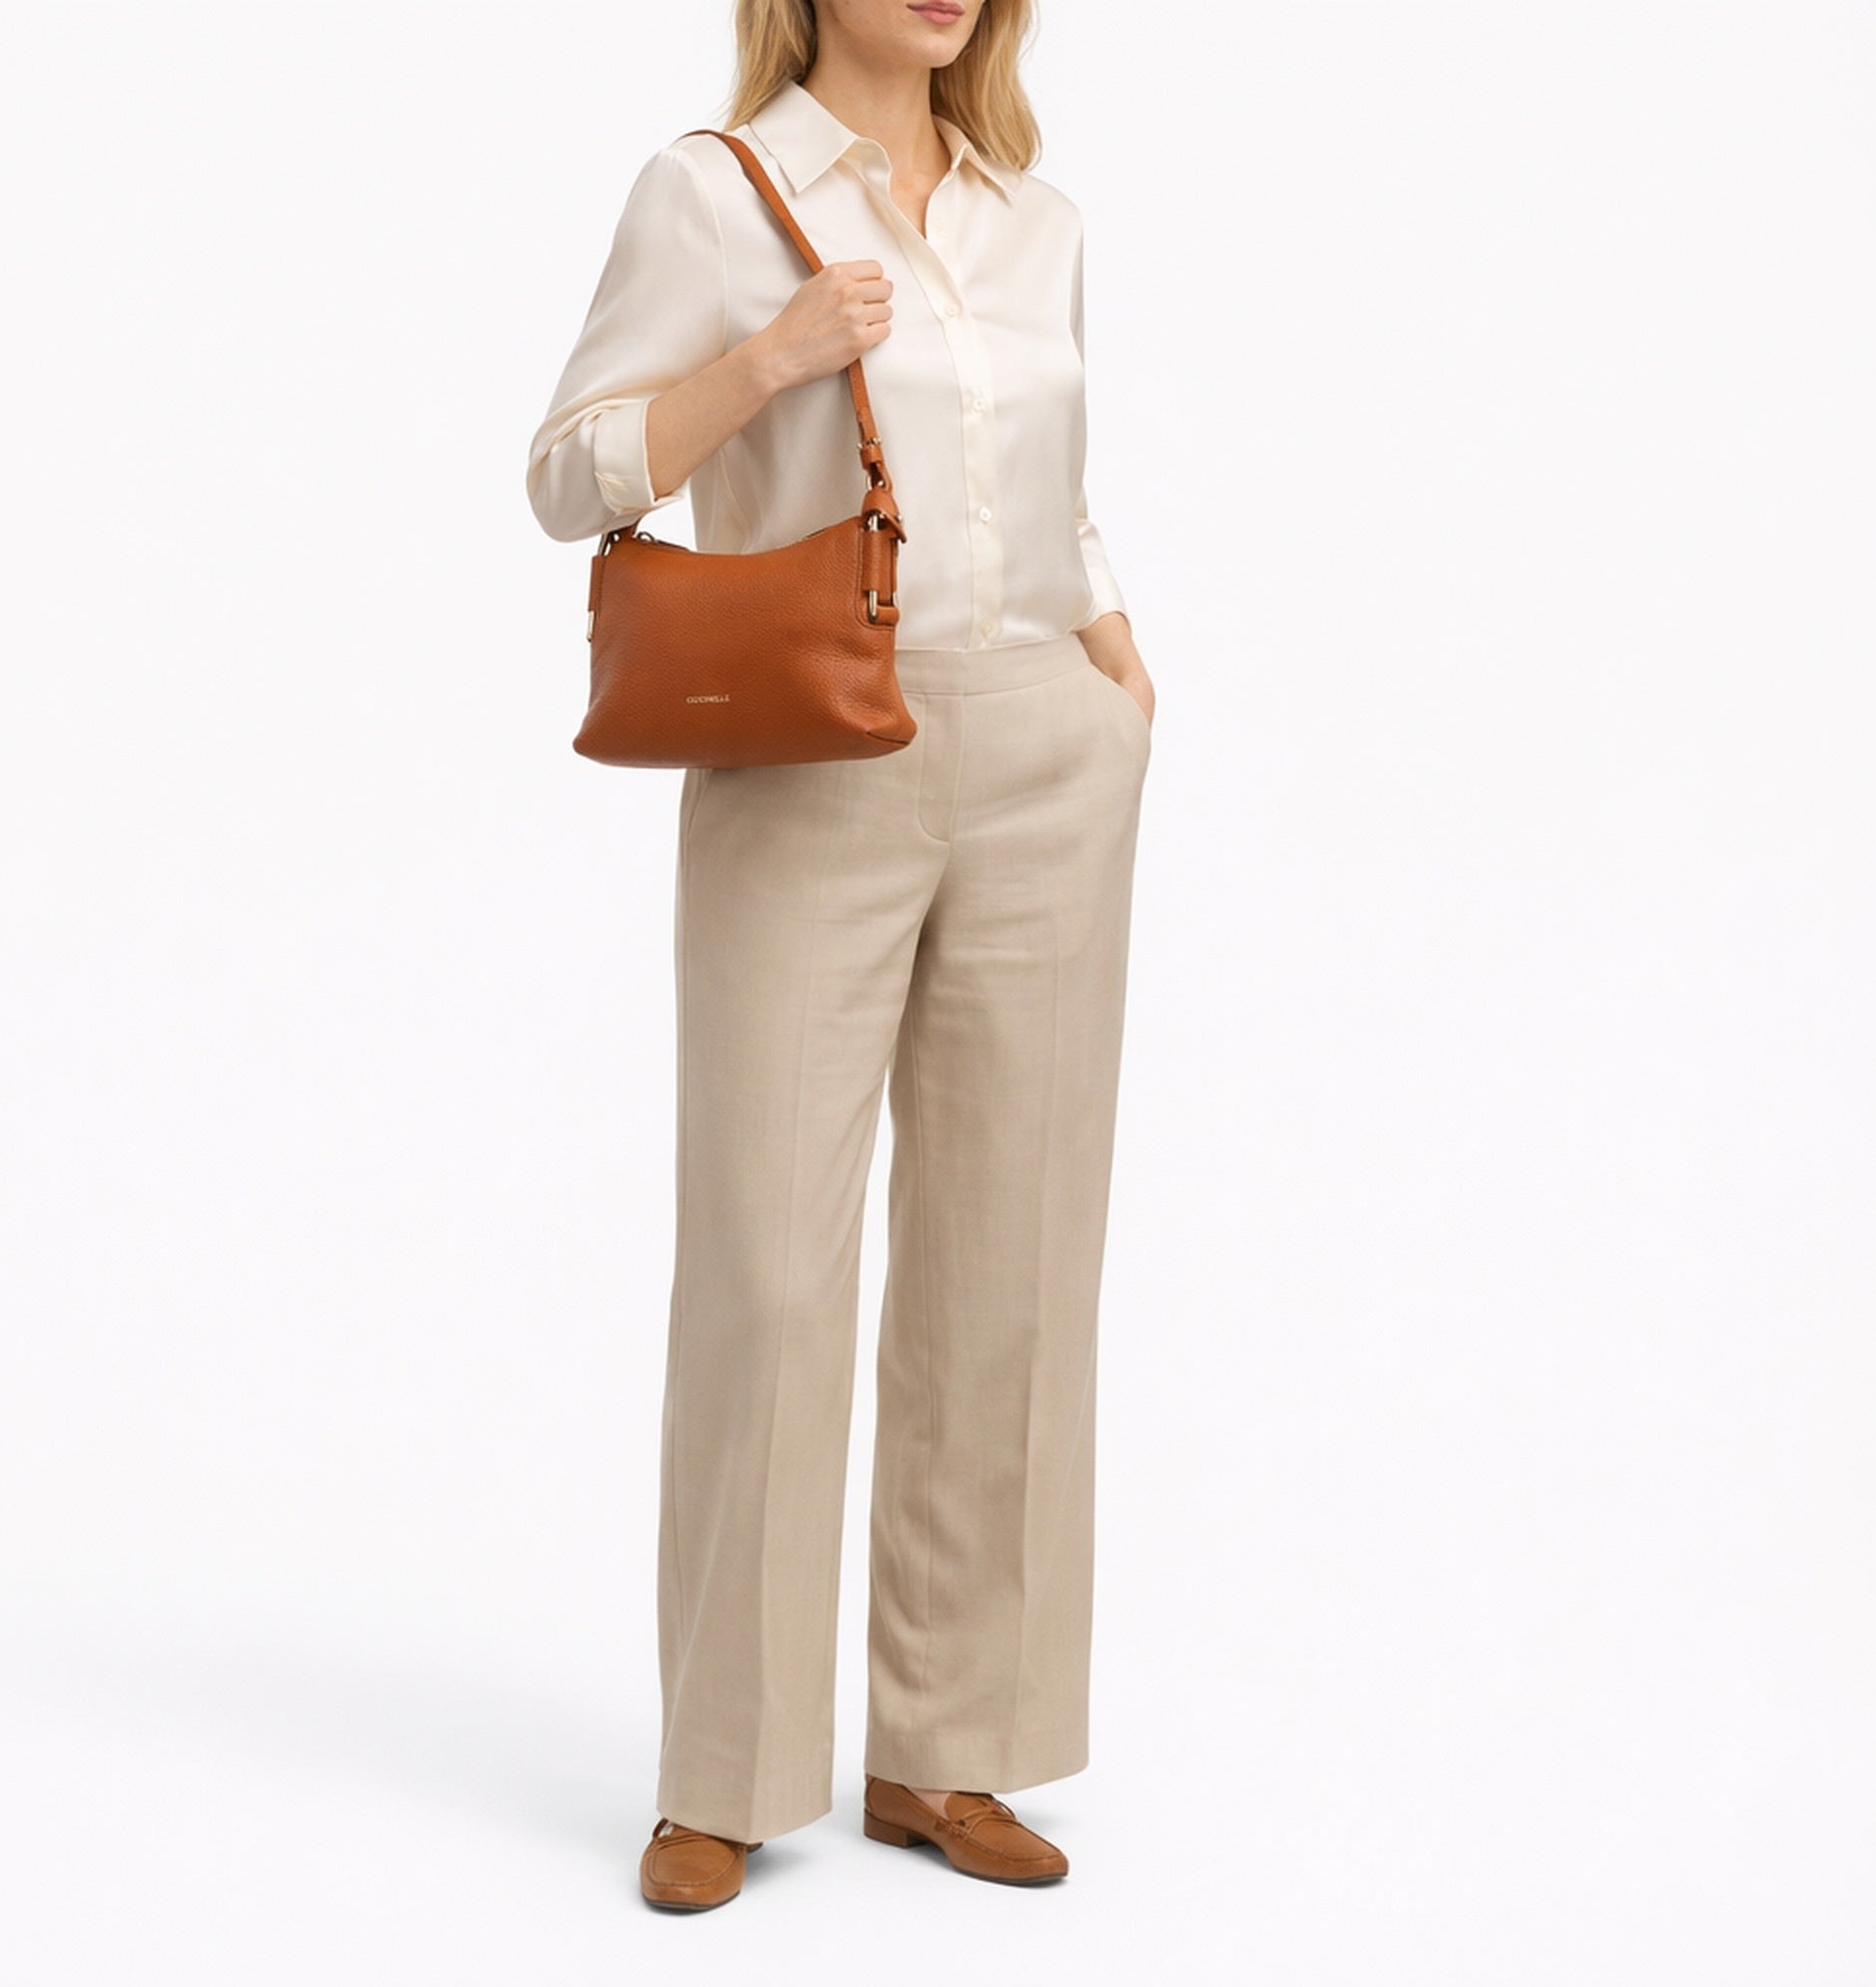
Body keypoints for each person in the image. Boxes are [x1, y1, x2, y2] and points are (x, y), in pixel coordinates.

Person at [525, 0, 1155, 1911]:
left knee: (1010, 1259)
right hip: (814, 749)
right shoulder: (713, 193)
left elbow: (1038, 476)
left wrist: (1114, 657)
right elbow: (566, 475)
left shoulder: (1036, 217)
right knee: (767, 1268)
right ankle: (721, 1769)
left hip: (1044, 739)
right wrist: (767, 359)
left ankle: (946, 1750)